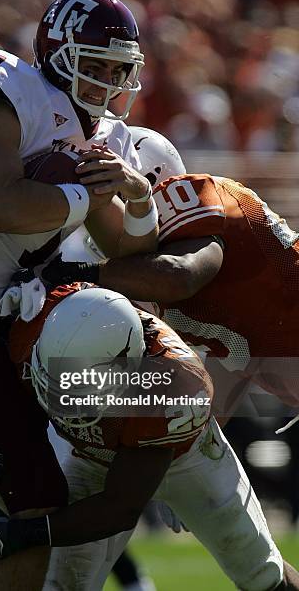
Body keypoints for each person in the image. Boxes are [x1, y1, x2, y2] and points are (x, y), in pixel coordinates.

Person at [0, 0, 158, 591]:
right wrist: (85, 195)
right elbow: (1, 206)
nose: (106, 80)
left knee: (36, 495)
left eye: (118, 68)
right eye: (93, 62)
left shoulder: (110, 139)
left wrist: (139, 196)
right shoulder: (5, 87)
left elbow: (125, 249)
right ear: (55, 51)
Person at [0, 283, 299, 590]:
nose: (61, 395)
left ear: (128, 368)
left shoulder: (172, 386)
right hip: (95, 456)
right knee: (62, 586)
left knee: (262, 575)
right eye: (54, 375)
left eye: (75, 386)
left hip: (185, 458)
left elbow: (120, 507)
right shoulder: (34, 320)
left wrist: (24, 534)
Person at [43, 125, 299, 412]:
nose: (102, 212)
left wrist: (73, 275)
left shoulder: (188, 204)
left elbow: (179, 275)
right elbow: (231, 355)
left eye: (106, 195)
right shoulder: (223, 295)